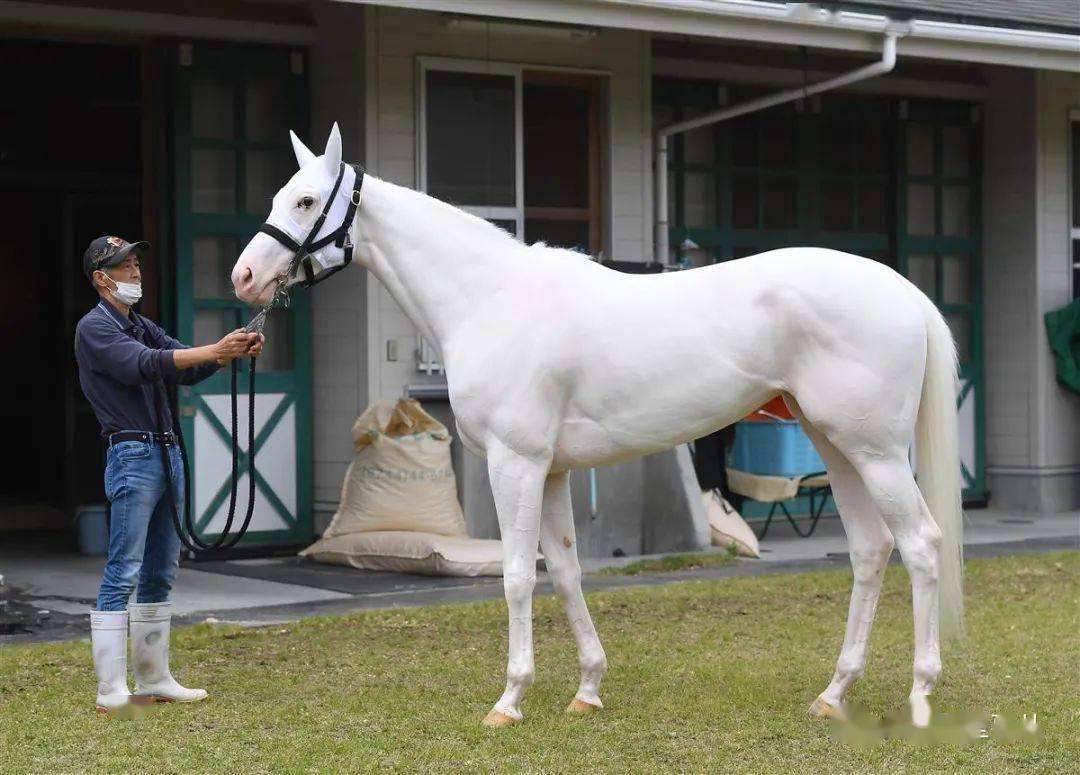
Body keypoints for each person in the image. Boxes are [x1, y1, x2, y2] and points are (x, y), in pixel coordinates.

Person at [74, 235, 263, 712]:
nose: (135, 273)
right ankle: (111, 689)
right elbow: (145, 365)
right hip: (133, 454)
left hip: (165, 452)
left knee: (161, 569)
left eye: (136, 264)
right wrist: (212, 349)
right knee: (124, 570)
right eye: (125, 267)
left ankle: (154, 677)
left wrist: (228, 352)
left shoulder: (141, 324)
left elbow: (184, 368)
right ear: (101, 278)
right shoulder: (95, 329)